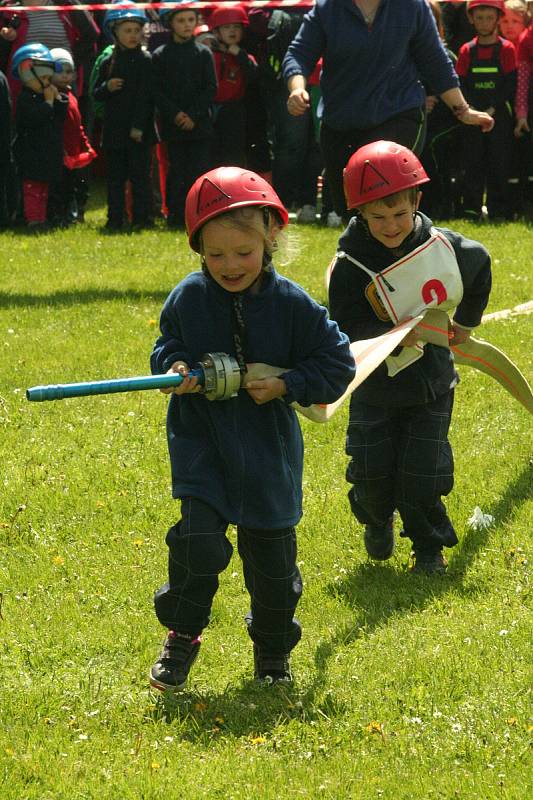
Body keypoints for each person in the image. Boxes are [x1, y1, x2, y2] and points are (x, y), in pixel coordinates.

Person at [149, 166, 356, 691]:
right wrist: (173, 369)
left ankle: (271, 650)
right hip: (203, 447)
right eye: (214, 254)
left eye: (242, 253)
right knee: (198, 545)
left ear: (271, 239)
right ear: (198, 248)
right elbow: (166, 347)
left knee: (272, 569)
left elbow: (338, 366)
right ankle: (183, 633)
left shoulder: (292, 306)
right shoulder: (188, 298)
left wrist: (288, 382)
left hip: (268, 455)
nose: (228, 265)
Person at [328, 141, 492, 575]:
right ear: (359, 213)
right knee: (370, 473)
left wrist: (467, 325)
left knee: (424, 473)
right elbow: (344, 327)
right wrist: (389, 338)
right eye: (378, 217)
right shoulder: (349, 266)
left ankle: (428, 548)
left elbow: (481, 265)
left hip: (431, 385)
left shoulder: (446, 246)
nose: (391, 226)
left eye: (400, 214)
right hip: (375, 387)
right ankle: (376, 517)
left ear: (416, 201)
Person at [282, 0, 495, 221]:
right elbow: (298, 54)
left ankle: (404, 249)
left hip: (400, 114)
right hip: (340, 121)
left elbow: (436, 61)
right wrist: (297, 89)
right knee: (353, 215)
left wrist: (463, 110)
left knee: (385, 199)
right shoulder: (328, 8)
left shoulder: (412, 7)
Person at [152, 0, 216, 228]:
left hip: (200, 126)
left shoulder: (203, 53)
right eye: (181, 20)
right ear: (170, 23)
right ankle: (176, 216)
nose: (187, 25)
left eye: (191, 19)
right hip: (174, 126)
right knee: (176, 171)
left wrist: (193, 116)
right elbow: (157, 91)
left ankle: (201, 217)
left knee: (199, 172)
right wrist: (176, 115)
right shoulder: (160, 55)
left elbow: (211, 88)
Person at [92, 2, 155, 230]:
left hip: (139, 131)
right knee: (115, 179)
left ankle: (142, 219)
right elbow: (96, 94)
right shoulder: (109, 61)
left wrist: (139, 126)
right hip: (114, 130)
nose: (133, 35)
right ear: (114, 32)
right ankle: (115, 220)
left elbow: (147, 97)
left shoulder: (145, 60)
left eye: (137, 31)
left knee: (140, 178)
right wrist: (107, 86)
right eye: (127, 31)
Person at [456, 0, 517, 220]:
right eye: (479, 18)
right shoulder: (466, 50)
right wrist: (471, 111)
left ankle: (498, 210)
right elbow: (460, 83)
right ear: (471, 18)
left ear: (497, 19)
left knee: (498, 164)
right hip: (472, 119)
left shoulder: (507, 49)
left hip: (498, 117)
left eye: (489, 18)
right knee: (472, 164)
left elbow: (510, 84)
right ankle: (472, 209)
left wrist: (491, 110)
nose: (484, 23)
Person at [0, 0, 99, 107]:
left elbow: (91, 34)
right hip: (25, 86)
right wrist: (5, 39)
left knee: (67, 121)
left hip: (63, 80)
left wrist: (70, 61)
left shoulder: (66, 3)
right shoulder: (8, 9)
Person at [12, 42, 68, 231]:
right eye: (43, 78)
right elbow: (35, 119)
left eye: (48, 77)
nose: (47, 82)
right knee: (33, 189)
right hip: (32, 154)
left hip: (46, 153)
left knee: (44, 189)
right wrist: (48, 103)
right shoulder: (25, 99)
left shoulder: (44, 96)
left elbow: (59, 119)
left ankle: (43, 217)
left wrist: (59, 101)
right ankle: (33, 219)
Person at [48, 47, 96, 226]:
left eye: (69, 71)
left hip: (74, 153)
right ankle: (58, 216)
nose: (65, 75)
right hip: (61, 153)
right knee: (60, 188)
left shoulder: (71, 95)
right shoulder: (53, 95)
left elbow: (78, 125)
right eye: (59, 70)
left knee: (76, 186)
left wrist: (85, 145)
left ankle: (74, 215)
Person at [208, 4, 257, 168]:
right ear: (216, 32)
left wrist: (239, 54)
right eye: (227, 27)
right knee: (211, 155)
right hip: (208, 109)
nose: (232, 31)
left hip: (233, 110)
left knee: (233, 156)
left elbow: (254, 74)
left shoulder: (245, 56)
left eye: (236, 27)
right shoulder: (208, 54)